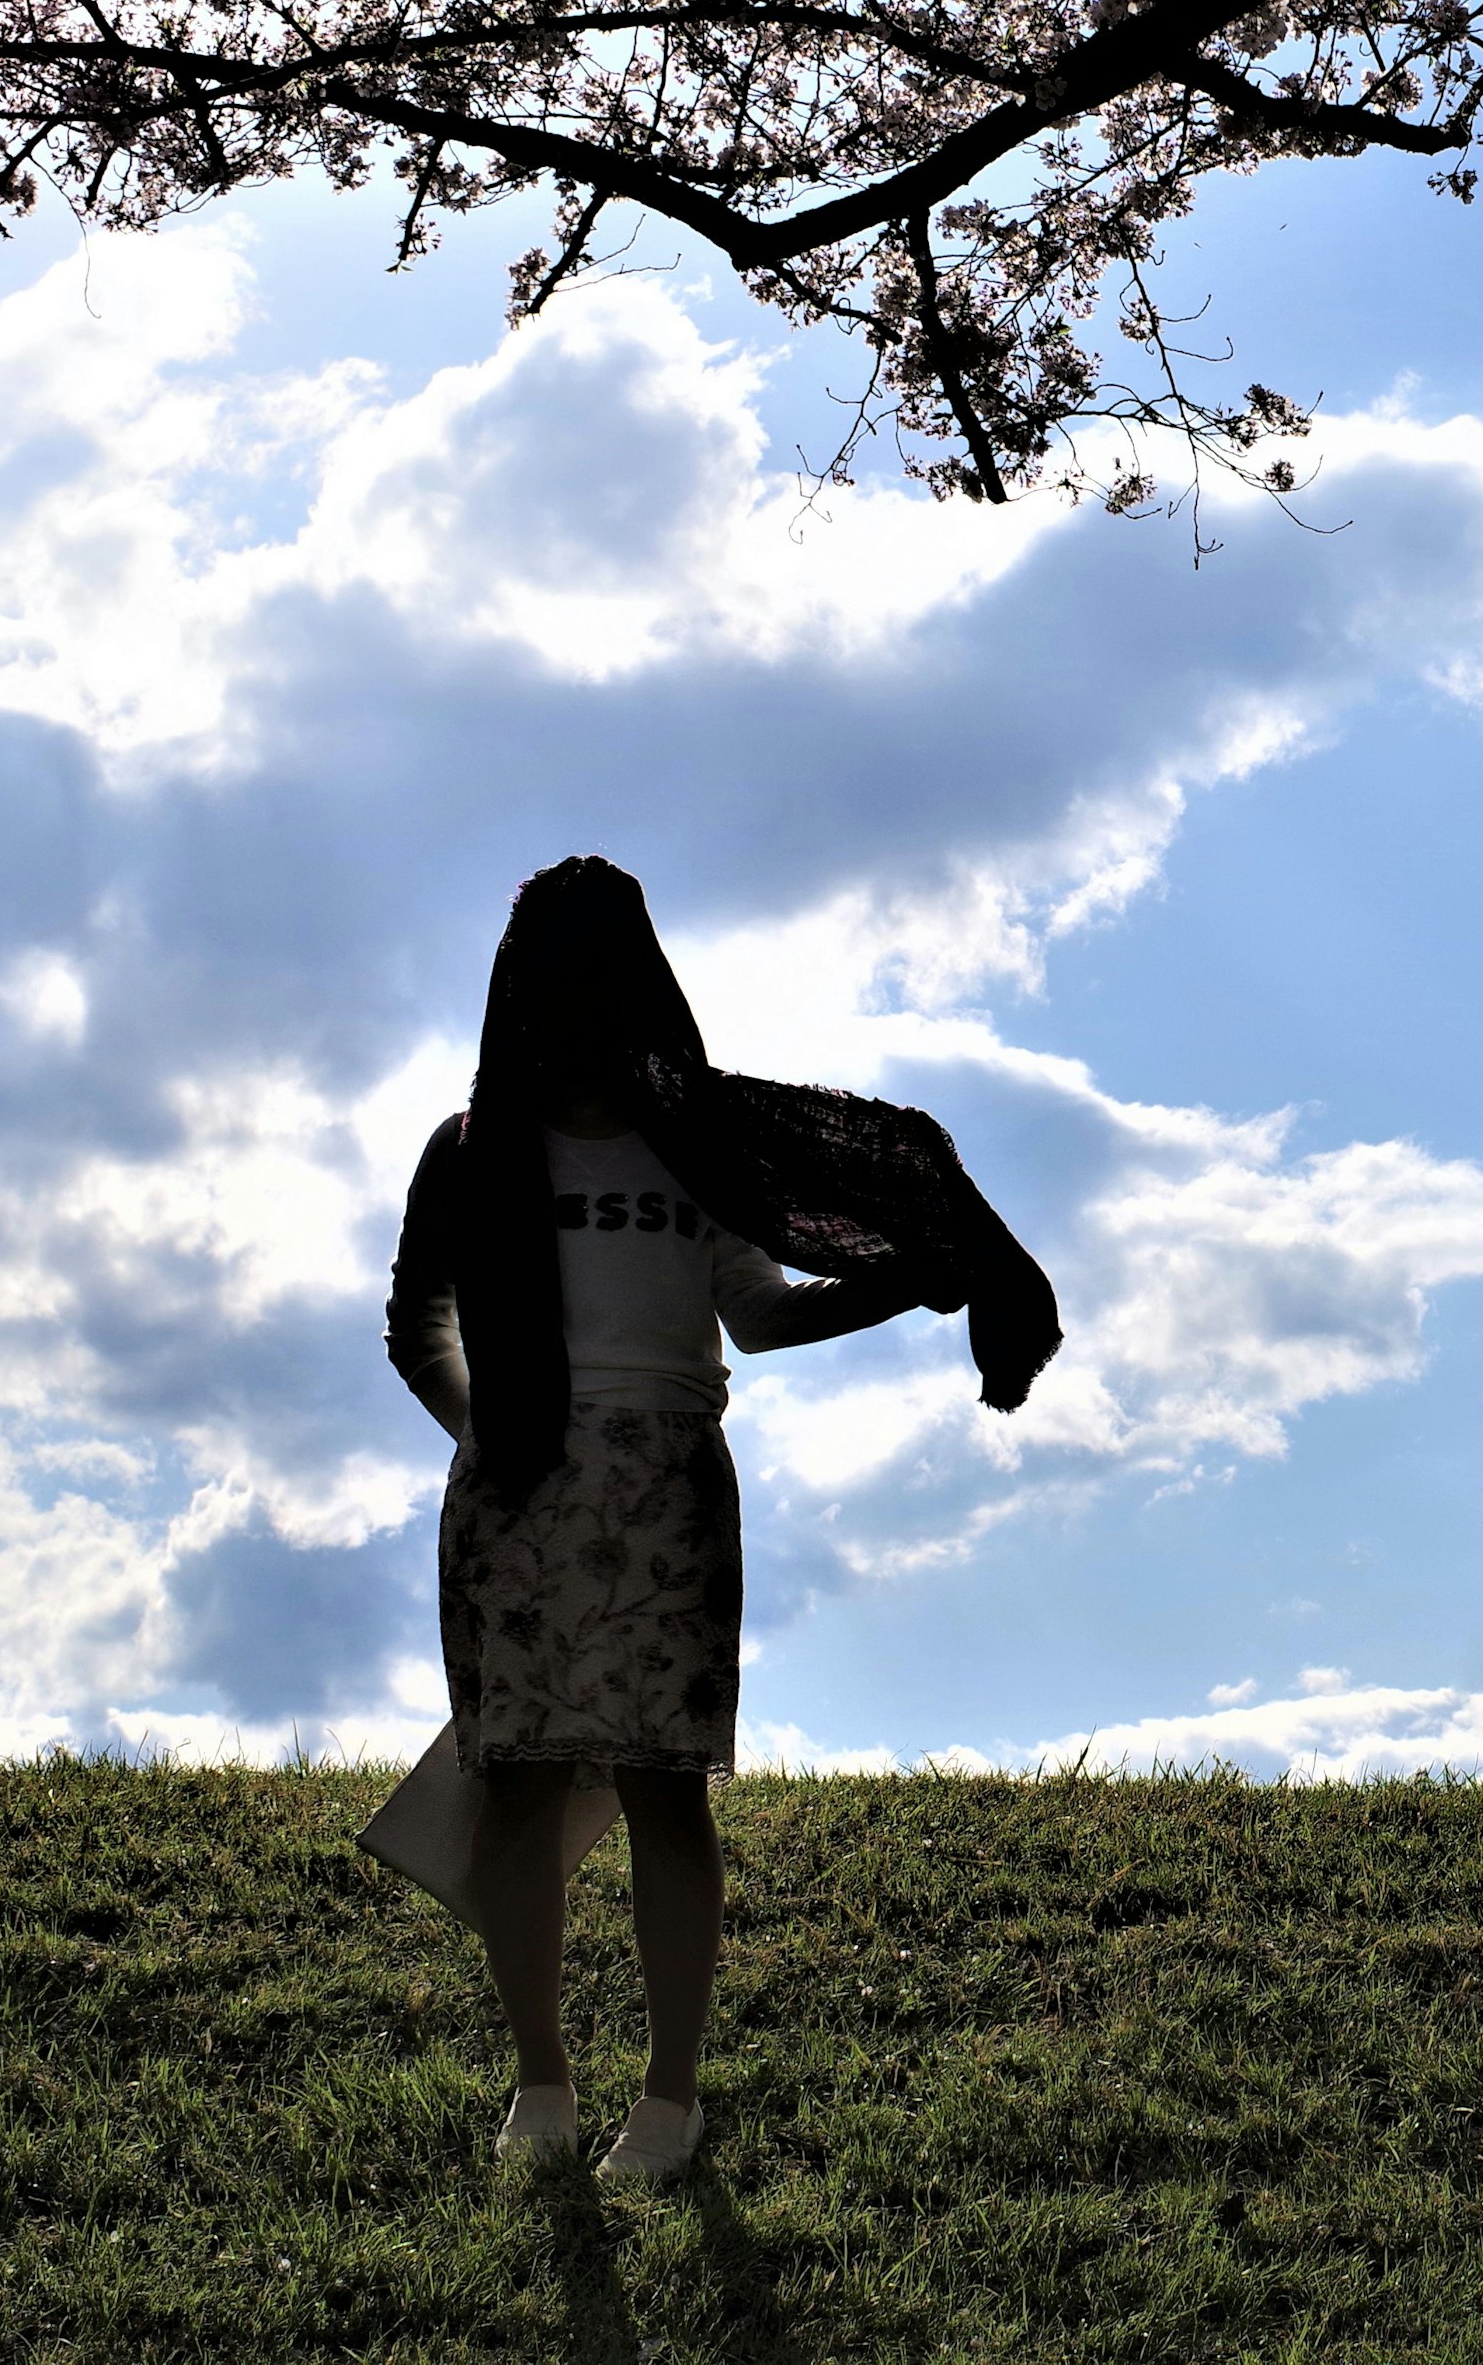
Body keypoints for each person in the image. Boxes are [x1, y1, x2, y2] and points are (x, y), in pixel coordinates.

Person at [386, 856, 1059, 2184]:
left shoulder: (705, 1150)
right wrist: (499, 1444)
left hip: (668, 1485)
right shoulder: (470, 1156)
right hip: (513, 1497)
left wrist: (902, 1284)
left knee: (662, 1792)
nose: (574, 1005)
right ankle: (542, 2085)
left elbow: (761, 1313)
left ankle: (669, 2104)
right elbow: (419, 1331)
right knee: (514, 1790)